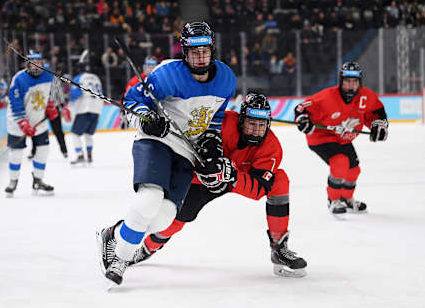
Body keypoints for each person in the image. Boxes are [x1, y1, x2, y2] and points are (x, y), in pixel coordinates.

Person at [97, 21, 237, 285]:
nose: (199, 57)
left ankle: (114, 234)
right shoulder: (167, 74)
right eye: (193, 51)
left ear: (212, 50)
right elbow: (132, 101)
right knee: (149, 199)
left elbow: (215, 118)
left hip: (186, 151)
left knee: (164, 217)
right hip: (156, 141)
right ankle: (120, 257)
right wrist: (148, 117)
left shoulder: (227, 79)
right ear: (184, 51)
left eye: (204, 50)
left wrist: (211, 141)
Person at [128, 93, 307, 278]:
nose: (256, 130)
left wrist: (231, 176)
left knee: (280, 180)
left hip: (235, 179)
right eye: (251, 124)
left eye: (261, 125)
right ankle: (146, 249)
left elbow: (258, 190)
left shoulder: (271, 147)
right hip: (201, 180)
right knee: (175, 221)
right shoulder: (222, 122)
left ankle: (279, 248)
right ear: (241, 120)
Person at [293, 62, 388, 215]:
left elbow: (376, 113)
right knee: (340, 162)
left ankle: (346, 199)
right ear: (341, 81)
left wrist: (378, 126)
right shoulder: (326, 97)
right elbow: (301, 109)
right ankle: (333, 200)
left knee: (354, 170)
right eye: (347, 81)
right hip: (321, 137)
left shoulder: (366, 97)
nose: (351, 85)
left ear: (360, 82)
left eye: (355, 81)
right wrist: (303, 119)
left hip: (343, 138)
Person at [4, 51, 57, 197]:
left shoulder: (48, 75)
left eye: (39, 63)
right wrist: (23, 123)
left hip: (38, 119)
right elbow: (16, 104)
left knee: (43, 149)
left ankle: (38, 180)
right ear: (27, 64)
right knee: (16, 153)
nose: (36, 66)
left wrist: (51, 106)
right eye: (33, 63)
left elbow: (51, 93)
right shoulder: (19, 79)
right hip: (17, 121)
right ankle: (13, 181)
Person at [68, 62, 104, 164]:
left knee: (75, 134)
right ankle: (89, 155)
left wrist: (69, 104)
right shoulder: (95, 77)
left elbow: (76, 93)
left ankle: (80, 155)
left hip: (85, 109)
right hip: (97, 109)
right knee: (88, 134)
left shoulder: (79, 78)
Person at [28, 74, 70, 159]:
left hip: (53, 108)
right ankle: (34, 150)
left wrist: (61, 106)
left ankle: (64, 150)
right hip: (40, 109)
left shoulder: (54, 80)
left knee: (58, 131)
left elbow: (59, 95)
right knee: (36, 130)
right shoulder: (37, 80)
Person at [120, 55, 159, 129]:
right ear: (145, 67)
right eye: (149, 66)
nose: (151, 69)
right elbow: (126, 97)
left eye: (153, 66)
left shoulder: (160, 80)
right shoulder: (135, 80)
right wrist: (122, 110)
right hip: (139, 113)